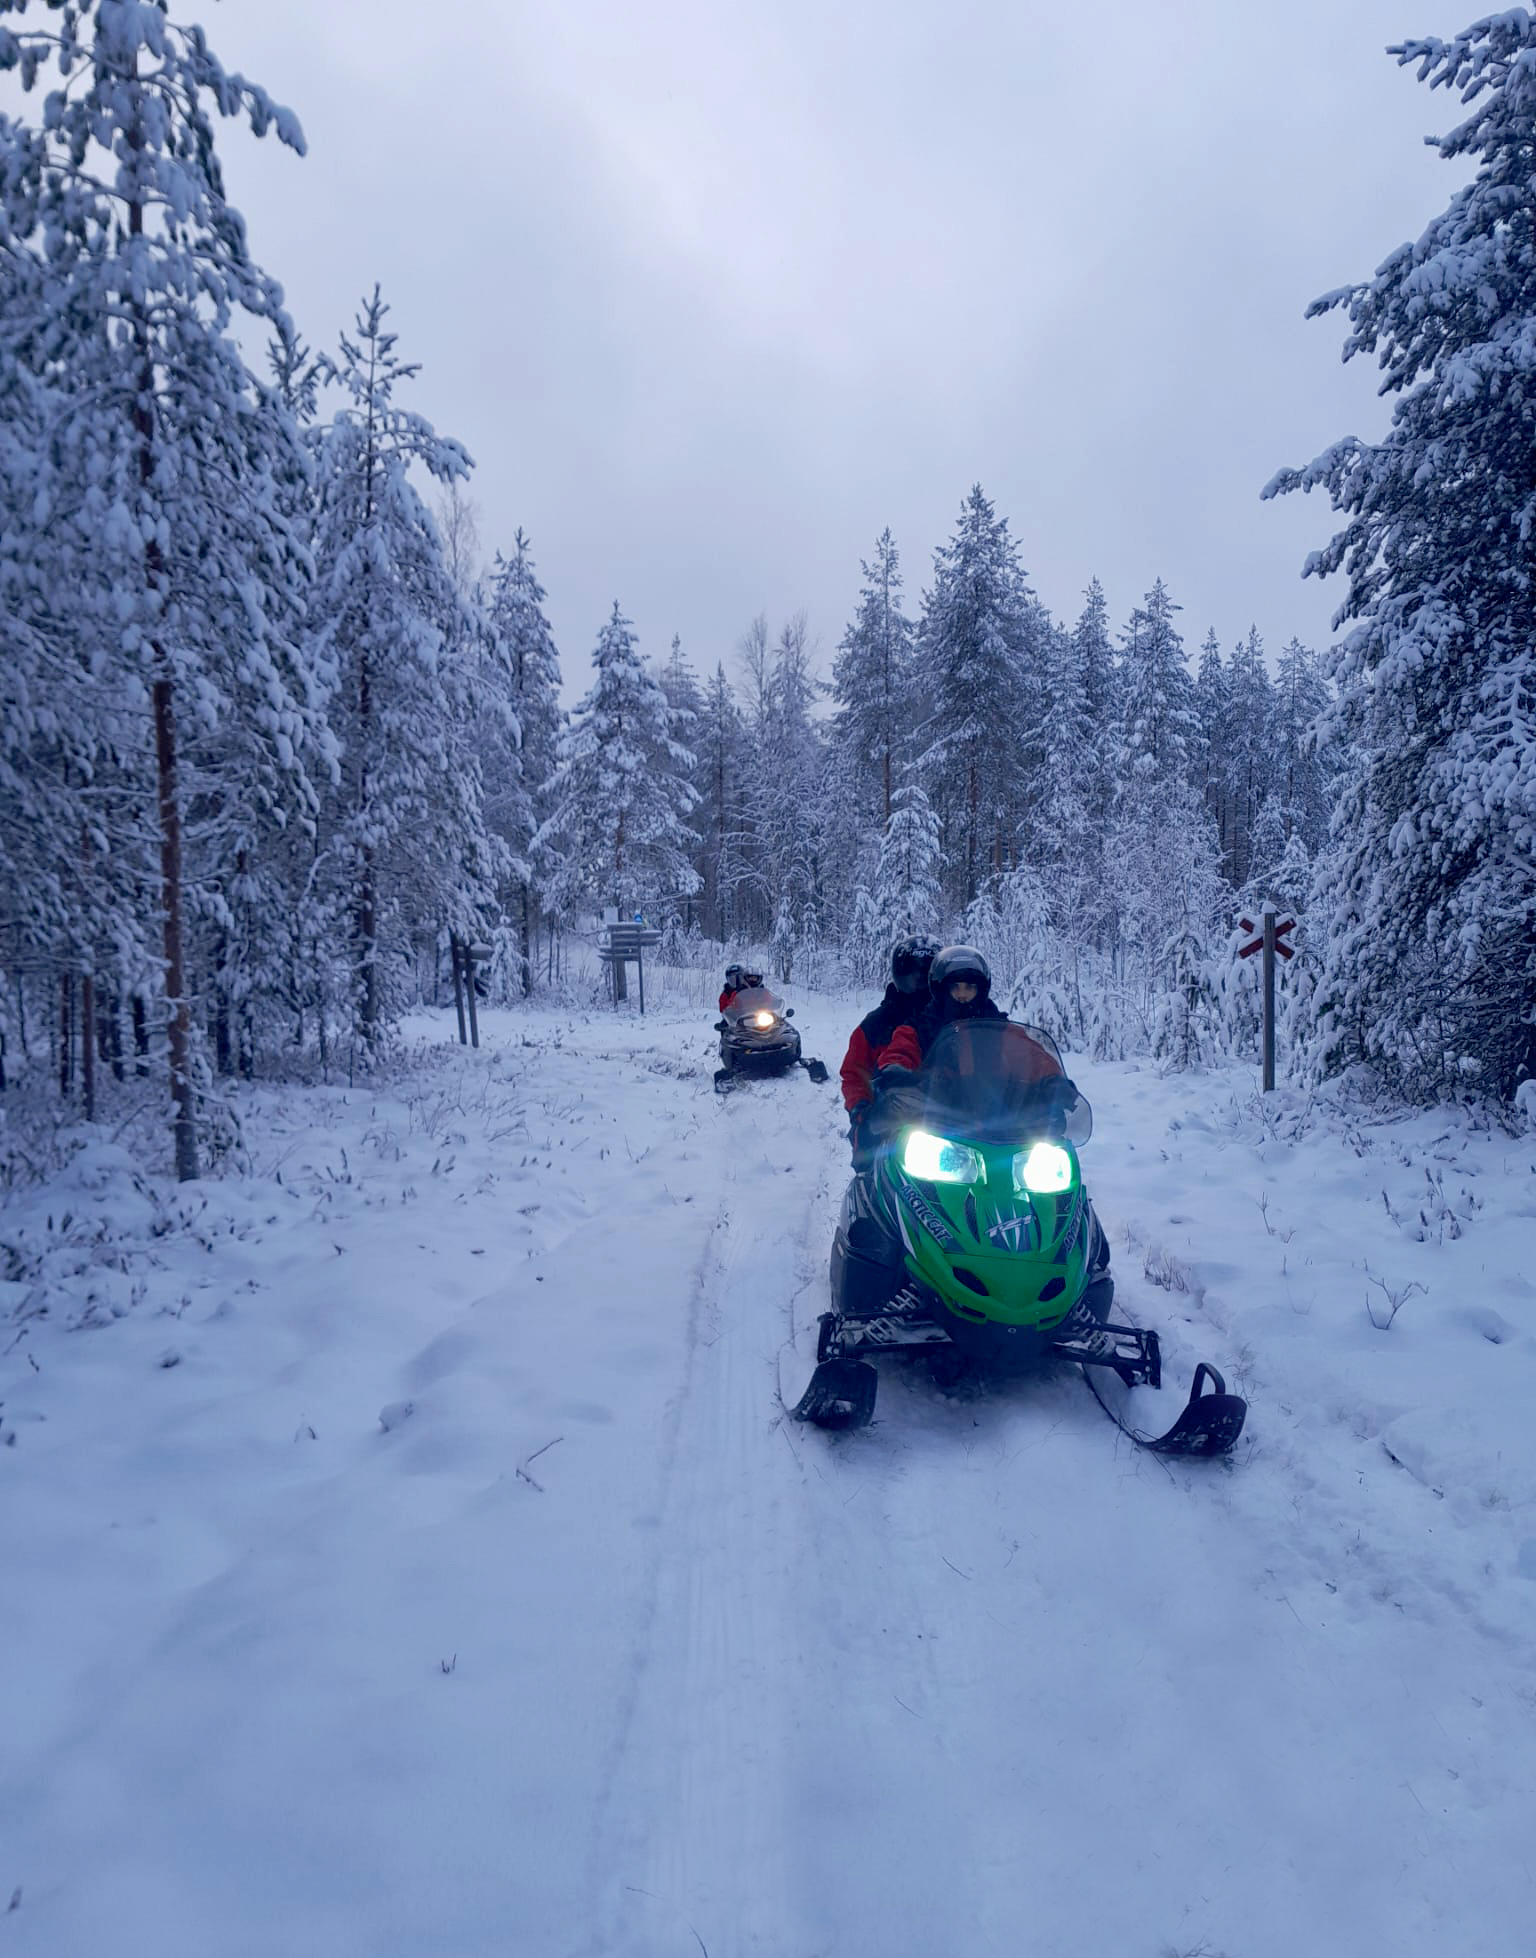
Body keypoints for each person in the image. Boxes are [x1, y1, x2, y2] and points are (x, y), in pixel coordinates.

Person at [840, 934, 940, 1162]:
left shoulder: (948, 1022)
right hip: (889, 1121)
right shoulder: (875, 1025)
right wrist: (861, 1109)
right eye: (913, 976)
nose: (920, 983)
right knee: (868, 1166)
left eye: (925, 976)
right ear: (900, 975)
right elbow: (853, 1074)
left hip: (946, 1120)